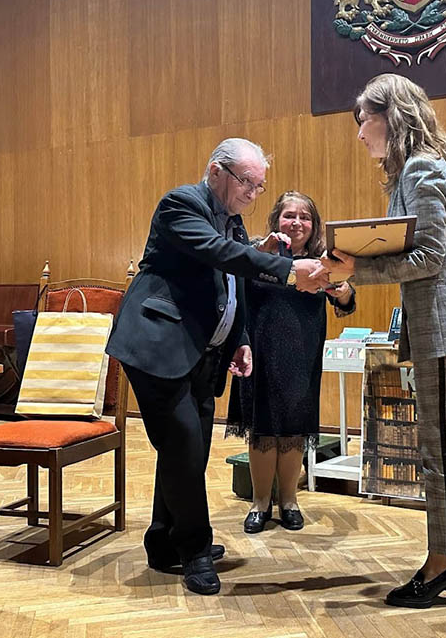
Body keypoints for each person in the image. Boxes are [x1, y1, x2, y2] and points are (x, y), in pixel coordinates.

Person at [106, 138, 327, 596]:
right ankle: (195, 552)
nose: (253, 193)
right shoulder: (181, 204)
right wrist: (287, 268)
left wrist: (239, 339)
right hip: (158, 349)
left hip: (203, 355)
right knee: (185, 448)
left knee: (186, 452)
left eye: (259, 186)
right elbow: (218, 254)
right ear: (216, 172)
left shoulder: (233, 221)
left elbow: (234, 284)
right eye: (247, 182)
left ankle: (163, 543)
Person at [318, 74, 446, 608]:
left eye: (364, 120)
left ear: (391, 116)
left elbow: (428, 258)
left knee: (439, 449)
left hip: (445, 328)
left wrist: (354, 269)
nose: (359, 133)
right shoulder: (420, 169)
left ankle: (442, 564)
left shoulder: (422, 170)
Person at [226, 191, 356, 534]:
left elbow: (346, 303)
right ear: (276, 220)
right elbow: (235, 293)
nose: (297, 222)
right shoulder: (257, 254)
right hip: (259, 353)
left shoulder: (325, 261)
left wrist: (343, 291)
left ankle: (289, 501)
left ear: (314, 225)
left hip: (302, 354)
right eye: (289, 215)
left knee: (294, 429)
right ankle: (260, 503)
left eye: (304, 217)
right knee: (263, 429)